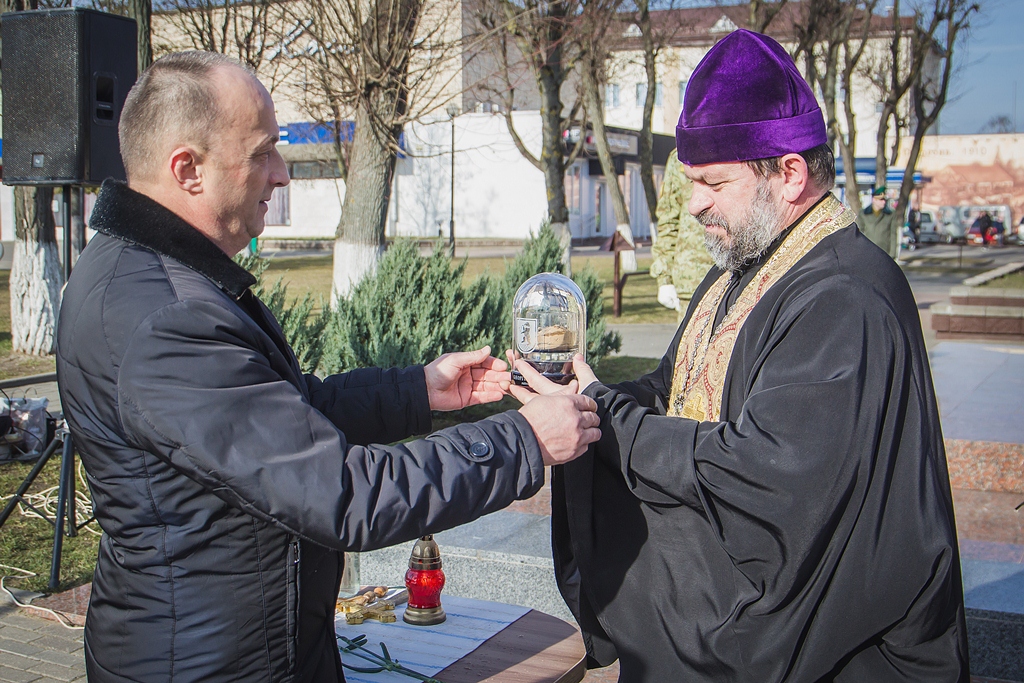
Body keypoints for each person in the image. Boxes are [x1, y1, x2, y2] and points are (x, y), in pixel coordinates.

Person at [55, 51, 601, 682]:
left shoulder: (145, 273)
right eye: (262, 152)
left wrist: (417, 391)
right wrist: (524, 440)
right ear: (188, 169)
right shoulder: (164, 316)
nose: (281, 174)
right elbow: (342, 492)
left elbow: (279, 416)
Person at [515, 30, 968, 681]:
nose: (695, 202)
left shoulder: (847, 296)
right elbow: (673, 387)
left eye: (713, 182)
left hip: (848, 651)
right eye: (691, 180)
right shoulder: (745, 270)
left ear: (788, 173)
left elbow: (766, 477)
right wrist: (579, 399)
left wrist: (609, 420)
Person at [650, 153, 715, 315]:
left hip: (738, 273)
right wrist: (664, 277)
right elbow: (668, 218)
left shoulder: (743, 139)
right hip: (691, 277)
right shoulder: (682, 154)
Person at [859, 185, 900, 258]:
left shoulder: (890, 214)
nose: (884, 202)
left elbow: (893, 235)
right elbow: (859, 233)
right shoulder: (864, 214)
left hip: (884, 252)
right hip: (868, 251)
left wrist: (892, 254)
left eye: (884, 200)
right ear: (874, 200)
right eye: (881, 200)